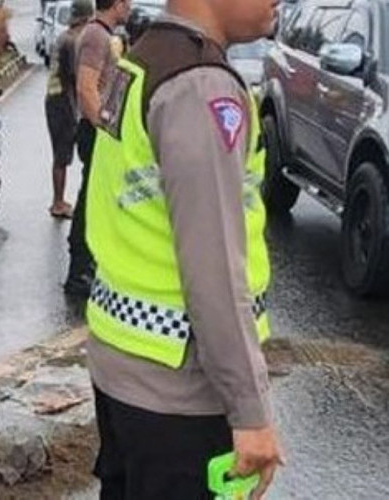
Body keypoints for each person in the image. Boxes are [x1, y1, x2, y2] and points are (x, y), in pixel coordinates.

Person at [85, 0, 284, 498]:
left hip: (123, 368)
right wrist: (251, 412)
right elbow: (213, 270)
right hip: (181, 395)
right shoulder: (201, 87)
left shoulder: (142, 57)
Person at [64, 0, 131, 297]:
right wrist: (104, 125)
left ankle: (88, 265)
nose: (129, 8)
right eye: (126, 2)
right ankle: (78, 272)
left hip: (98, 129)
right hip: (94, 131)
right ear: (116, 4)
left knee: (97, 195)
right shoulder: (95, 36)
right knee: (91, 197)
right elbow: (85, 88)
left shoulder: (104, 35)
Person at [44, 0, 94, 220]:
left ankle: (59, 200)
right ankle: (58, 202)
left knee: (61, 154)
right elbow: (75, 77)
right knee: (62, 154)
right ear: (87, 18)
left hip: (57, 99)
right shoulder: (72, 42)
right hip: (62, 101)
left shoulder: (66, 37)